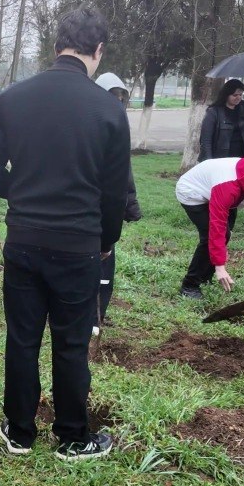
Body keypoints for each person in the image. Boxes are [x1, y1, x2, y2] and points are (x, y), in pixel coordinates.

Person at [0, 6, 129, 461]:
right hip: (78, 244)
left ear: (56, 44)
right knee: (71, 341)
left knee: (22, 337)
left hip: (23, 239)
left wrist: (18, 189)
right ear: (97, 50)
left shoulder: (12, 100)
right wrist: (105, 243)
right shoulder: (108, 109)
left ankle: (20, 431)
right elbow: (114, 193)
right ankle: (73, 437)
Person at [175, 157, 244, 298]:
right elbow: (216, 228)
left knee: (225, 234)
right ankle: (189, 285)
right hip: (191, 191)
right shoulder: (227, 188)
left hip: (212, 185)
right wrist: (220, 266)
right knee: (211, 237)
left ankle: (205, 277)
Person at [93, 72, 142, 333]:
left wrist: (130, 203)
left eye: (120, 97)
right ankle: (85, 315)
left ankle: (99, 314)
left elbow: (125, 171)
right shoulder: (88, 119)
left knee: (105, 261)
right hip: (88, 204)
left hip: (109, 206)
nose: (116, 101)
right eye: (112, 96)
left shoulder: (119, 121)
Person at [199, 78, 244, 161]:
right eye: (235, 95)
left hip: (240, 157)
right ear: (226, 95)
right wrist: (208, 161)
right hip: (219, 158)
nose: (238, 98)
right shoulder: (214, 112)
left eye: (241, 95)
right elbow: (205, 140)